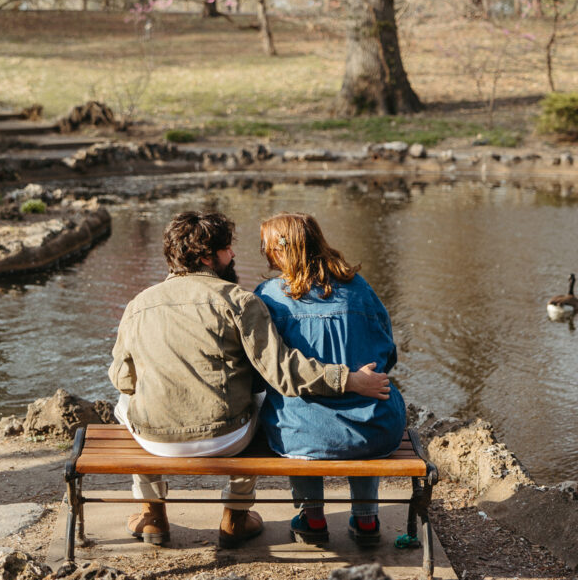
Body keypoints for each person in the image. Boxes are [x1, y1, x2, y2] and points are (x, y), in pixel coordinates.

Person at [109, 210, 390, 549]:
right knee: (260, 398)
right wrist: (349, 379)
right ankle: (236, 515)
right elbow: (280, 371)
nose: (234, 254)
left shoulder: (138, 305)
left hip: (155, 440)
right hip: (225, 437)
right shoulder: (239, 301)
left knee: (126, 402)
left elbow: (122, 378)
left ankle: (153, 513)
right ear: (206, 257)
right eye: (227, 248)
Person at [255, 212, 406, 547]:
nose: (263, 253)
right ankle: (367, 521)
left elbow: (266, 369)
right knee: (371, 402)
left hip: (302, 434)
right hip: (373, 431)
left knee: (296, 409)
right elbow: (388, 352)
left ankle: (313, 518)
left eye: (265, 245)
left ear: (280, 251)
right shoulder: (359, 288)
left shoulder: (268, 296)